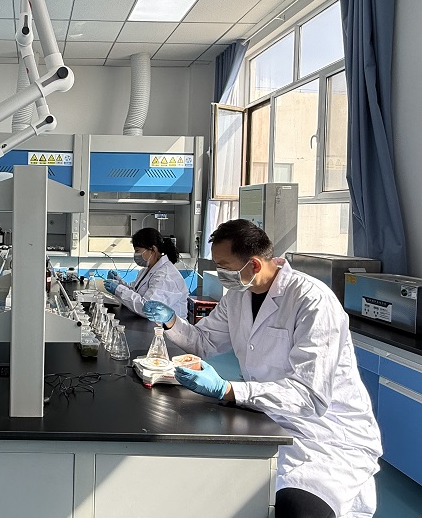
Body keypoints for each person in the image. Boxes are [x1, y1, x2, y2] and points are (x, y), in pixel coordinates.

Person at [143, 219, 381, 518]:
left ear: (254, 264)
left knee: (297, 508)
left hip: (324, 434)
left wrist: (228, 390)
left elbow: (310, 397)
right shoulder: (238, 296)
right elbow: (204, 341)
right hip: (266, 418)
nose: (220, 274)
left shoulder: (312, 300)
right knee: (217, 489)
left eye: (224, 267)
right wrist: (171, 321)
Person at [103, 227, 189, 320]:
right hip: (151, 323)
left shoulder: (165, 276)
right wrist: (119, 282)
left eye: (137, 251)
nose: (135, 255)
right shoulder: (147, 270)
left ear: (153, 249)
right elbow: (135, 290)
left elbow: (149, 309)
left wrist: (118, 290)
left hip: (167, 327)